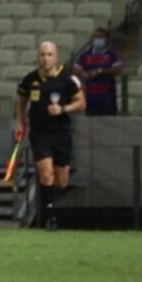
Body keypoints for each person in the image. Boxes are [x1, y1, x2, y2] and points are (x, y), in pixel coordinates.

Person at [16, 41, 85, 231]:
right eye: (42, 55)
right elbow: (21, 101)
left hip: (61, 134)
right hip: (40, 134)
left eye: (49, 55)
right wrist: (20, 122)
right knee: (46, 175)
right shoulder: (30, 79)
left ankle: (50, 202)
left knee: (61, 182)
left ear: (56, 57)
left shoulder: (68, 78)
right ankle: (50, 217)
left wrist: (63, 108)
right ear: (37, 57)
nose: (45, 58)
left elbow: (81, 103)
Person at [73, 27, 122, 117]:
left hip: (107, 98)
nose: (97, 40)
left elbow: (118, 68)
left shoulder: (111, 54)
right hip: (90, 98)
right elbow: (76, 69)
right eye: (95, 37)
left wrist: (100, 71)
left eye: (100, 37)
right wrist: (83, 73)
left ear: (106, 39)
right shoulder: (85, 55)